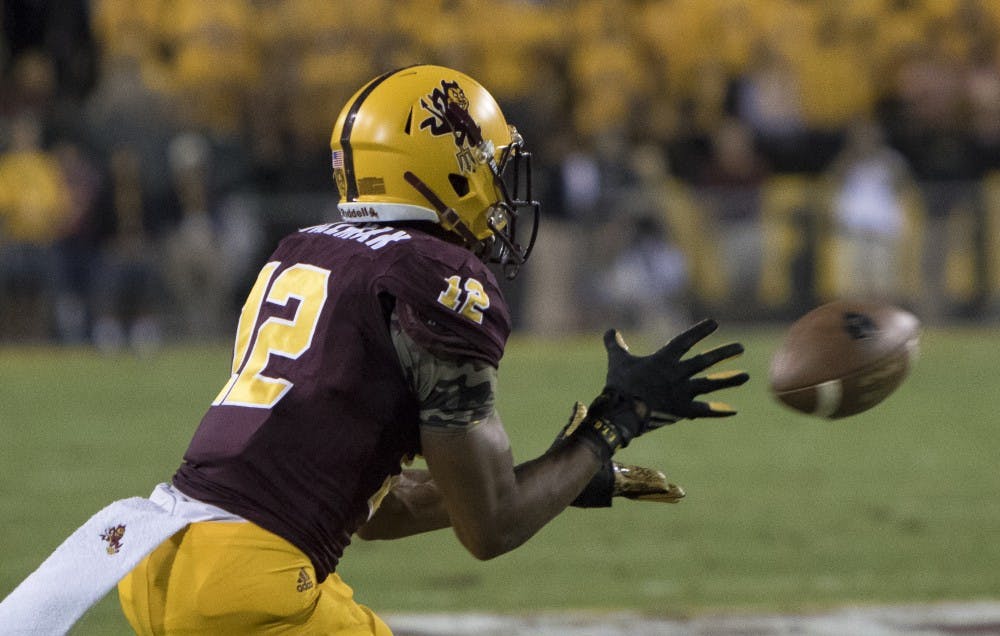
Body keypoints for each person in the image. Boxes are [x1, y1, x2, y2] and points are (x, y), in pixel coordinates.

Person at [0, 65, 748, 634]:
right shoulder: (438, 279)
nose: (497, 185)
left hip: (159, 559)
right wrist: (611, 425)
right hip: (250, 581)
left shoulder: (309, 249)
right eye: (485, 163)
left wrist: (569, 477)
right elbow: (490, 528)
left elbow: (373, 508)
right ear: (447, 165)